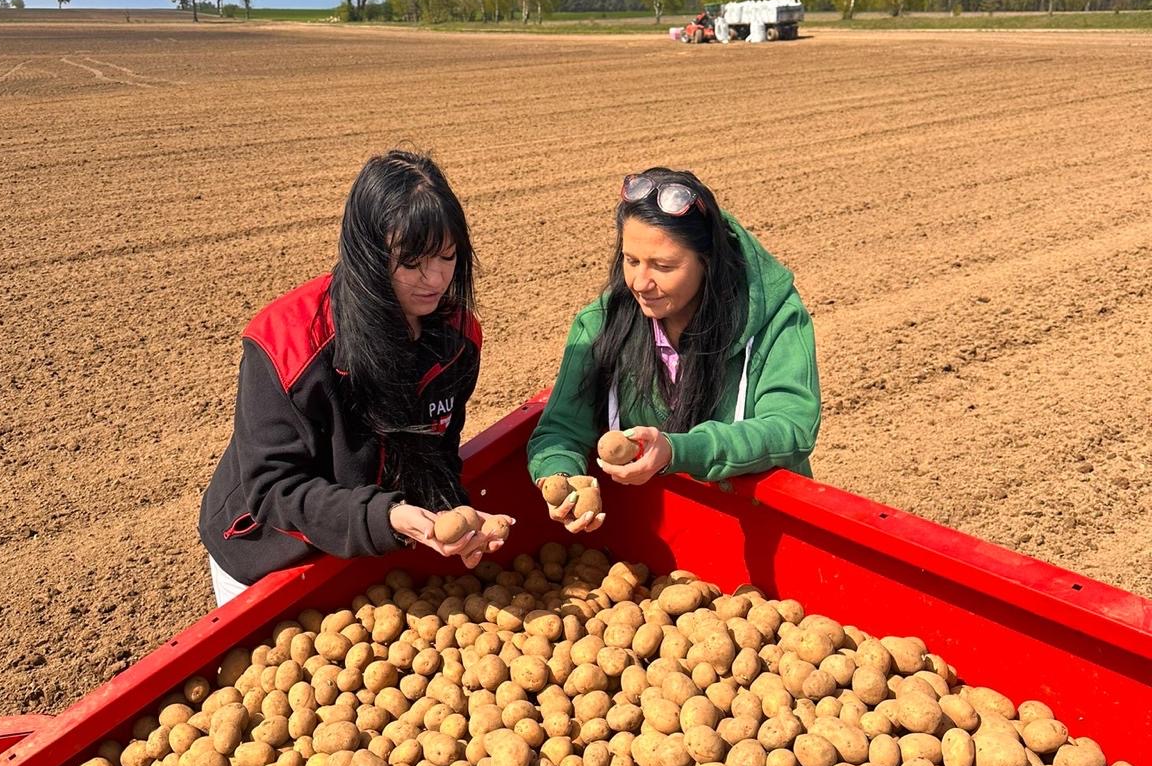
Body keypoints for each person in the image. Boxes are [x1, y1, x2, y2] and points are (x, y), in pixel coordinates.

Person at [200, 148, 510, 603]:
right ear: (367, 252)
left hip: (370, 541)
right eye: (411, 260)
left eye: (447, 256)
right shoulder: (287, 345)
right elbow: (274, 489)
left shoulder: (457, 338)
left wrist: (451, 513)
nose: (435, 278)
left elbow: (437, 449)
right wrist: (386, 518)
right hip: (269, 555)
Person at [527, 166, 820, 531]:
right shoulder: (601, 324)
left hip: (757, 526)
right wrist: (562, 477)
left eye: (663, 266)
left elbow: (790, 427)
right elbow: (561, 429)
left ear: (707, 262)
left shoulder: (776, 318)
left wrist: (677, 450)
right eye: (630, 260)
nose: (639, 282)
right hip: (658, 534)